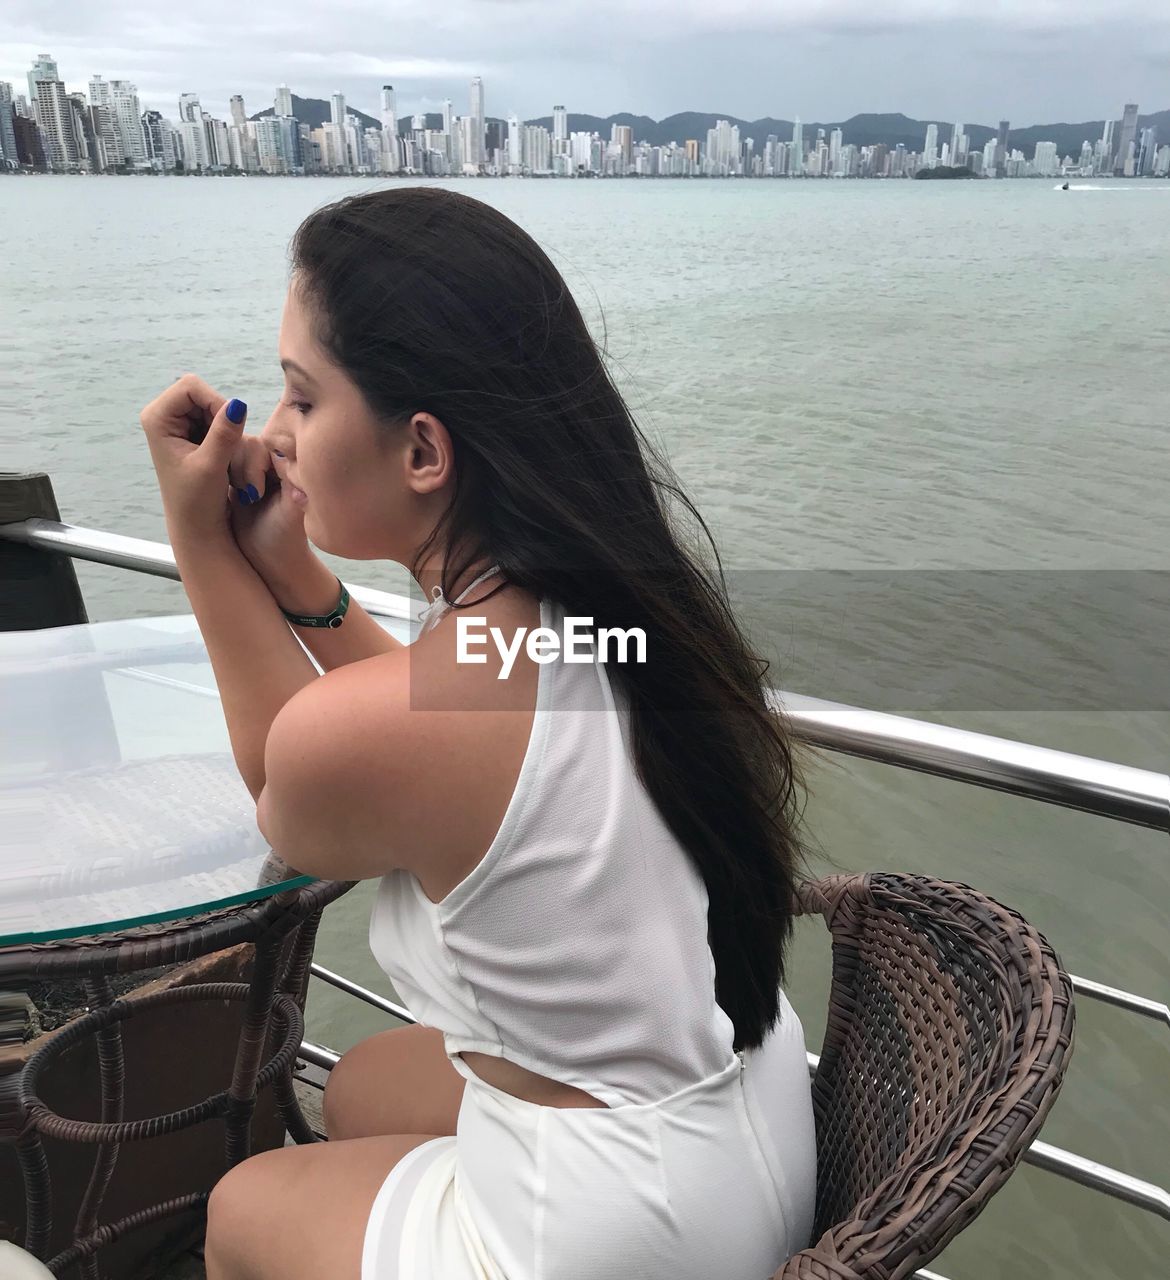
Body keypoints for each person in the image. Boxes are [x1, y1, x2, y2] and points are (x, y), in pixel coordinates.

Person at [139, 185, 817, 1280]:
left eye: (303, 400)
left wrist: (202, 546)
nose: (271, 432)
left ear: (422, 451)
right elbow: (430, 727)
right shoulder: (606, 613)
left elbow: (290, 793)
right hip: (750, 1119)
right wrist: (292, 572)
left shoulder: (454, 687)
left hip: (620, 1226)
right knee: (361, 1082)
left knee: (242, 1204)